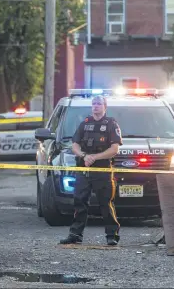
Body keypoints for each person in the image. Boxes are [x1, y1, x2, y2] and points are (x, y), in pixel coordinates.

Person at [59, 95, 123, 246]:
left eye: (99, 104)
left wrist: (95, 157)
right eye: (93, 103)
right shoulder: (85, 123)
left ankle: (111, 235)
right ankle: (75, 235)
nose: (95, 106)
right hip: (84, 169)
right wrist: (84, 156)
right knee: (79, 201)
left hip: (102, 170)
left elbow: (114, 149)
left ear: (105, 106)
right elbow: (74, 145)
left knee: (105, 203)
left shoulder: (111, 124)